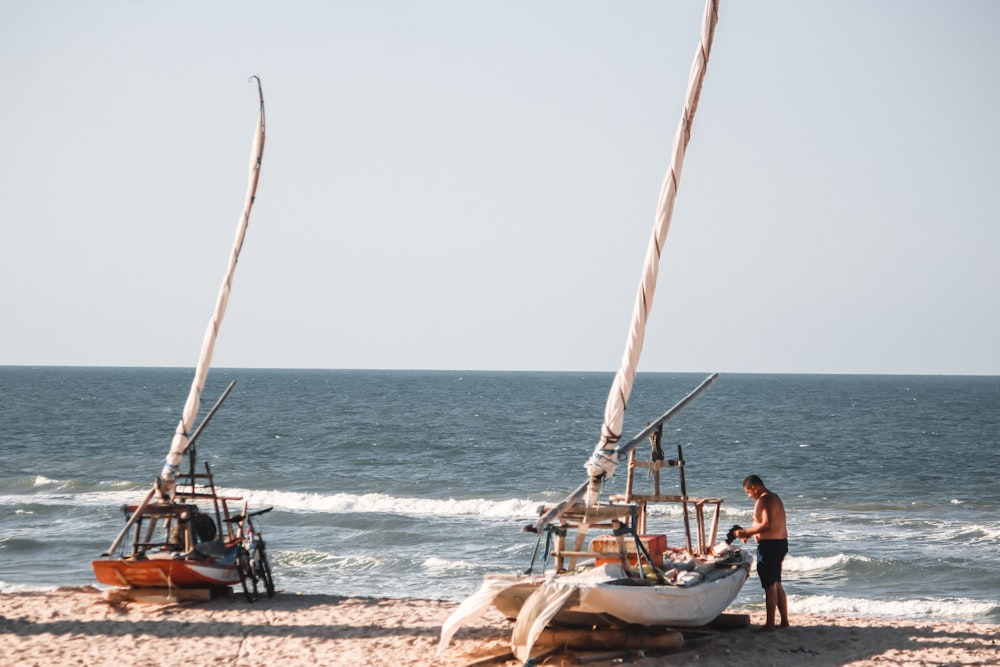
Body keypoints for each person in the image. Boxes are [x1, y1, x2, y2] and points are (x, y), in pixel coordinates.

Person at [734, 474, 789, 631]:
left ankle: (770, 624)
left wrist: (746, 532)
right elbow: (767, 524)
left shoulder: (764, 499)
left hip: (770, 546)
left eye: (748, 492)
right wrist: (751, 534)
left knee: (769, 586)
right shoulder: (774, 497)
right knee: (777, 583)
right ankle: (784, 621)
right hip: (780, 543)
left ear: (754, 488)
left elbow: (767, 525)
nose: (749, 496)